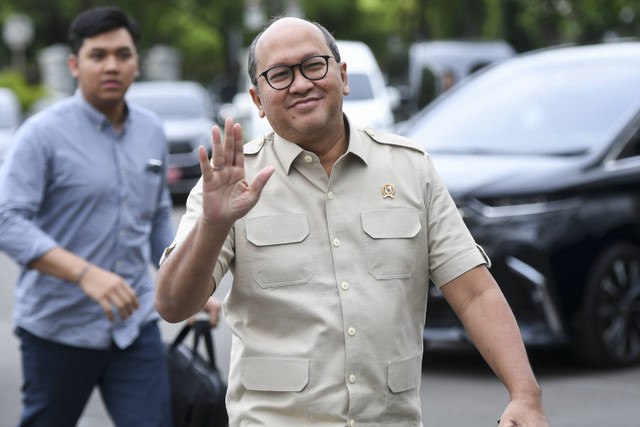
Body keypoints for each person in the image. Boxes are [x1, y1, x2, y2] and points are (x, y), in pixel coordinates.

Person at [155, 16, 548, 427]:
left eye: (313, 65)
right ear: (257, 99)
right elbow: (172, 305)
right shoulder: (231, 180)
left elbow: (473, 292)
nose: (301, 83)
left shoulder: (409, 168)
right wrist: (213, 227)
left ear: (342, 77)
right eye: (280, 75)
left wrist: (525, 393)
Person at [0, 6, 219, 426]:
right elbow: (8, 220)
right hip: (57, 328)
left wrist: (184, 288)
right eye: (98, 55)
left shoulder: (152, 130)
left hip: (133, 328)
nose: (112, 65)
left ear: (137, 63)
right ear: (74, 65)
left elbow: (155, 215)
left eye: (123, 54)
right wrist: (86, 274)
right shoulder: (41, 134)